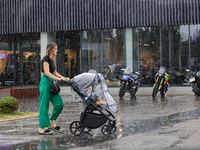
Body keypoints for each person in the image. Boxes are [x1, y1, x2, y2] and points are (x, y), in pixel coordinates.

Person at [39, 42, 70, 135]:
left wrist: (63, 78)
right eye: (55, 49)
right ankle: (42, 128)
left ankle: (52, 123)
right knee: (44, 105)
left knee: (59, 103)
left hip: (51, 82)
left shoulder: (51, 60)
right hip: (45, 82)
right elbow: (47, 73)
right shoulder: (45, 59)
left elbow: (55, 72)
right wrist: (59, 79)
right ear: (51, 49)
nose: (57, 50)